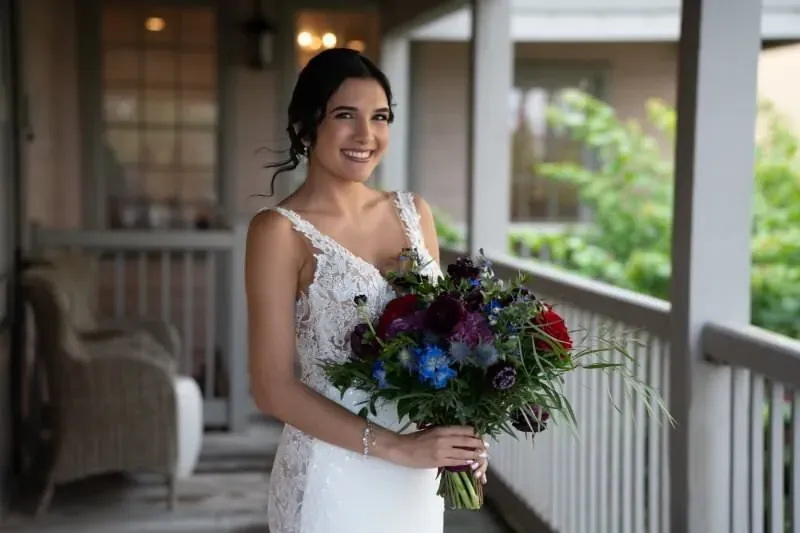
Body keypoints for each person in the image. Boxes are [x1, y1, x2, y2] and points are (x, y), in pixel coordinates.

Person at [245, 48, 488, 533]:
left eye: (380, 117)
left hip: (415, 481)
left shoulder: (413, 211)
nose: (366, 135)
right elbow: (271, 387)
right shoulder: (278, 231)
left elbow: (447, 339)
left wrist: (464, 430)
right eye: (344, 116)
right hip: (331, 476)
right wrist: (397, 447)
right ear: (304, 127)